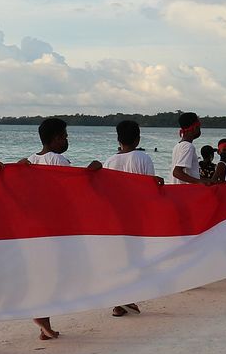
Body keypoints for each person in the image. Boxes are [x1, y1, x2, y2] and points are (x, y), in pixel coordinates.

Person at [19, 118, 101, 340]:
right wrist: (92, 171)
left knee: (44, 271)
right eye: (64, 136)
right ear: (55, 138)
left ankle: (44, 325)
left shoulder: (30, 160)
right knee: (58, 271)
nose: (67, 140)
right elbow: (74, 188)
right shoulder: (58, 160)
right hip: (55, 226)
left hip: (34, 226)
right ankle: (41, 316)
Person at [104, 120, 157, 317]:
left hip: (117, 217)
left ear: (118, 139)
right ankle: (126, 299)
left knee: (121, 258)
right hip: (137, 216)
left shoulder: (109, 161)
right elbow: (150, 190)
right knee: (136, 258)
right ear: (138, 138)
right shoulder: (143, 158)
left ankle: (120, 301)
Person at [168, 112, 210, 185]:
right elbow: (177, 172)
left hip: (176, 191)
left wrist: (207, 180)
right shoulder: (188, 147)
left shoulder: (178, 146)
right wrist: (199, 182)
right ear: (194, 127)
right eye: (199, 126)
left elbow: (190, 174)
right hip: (185, 192)